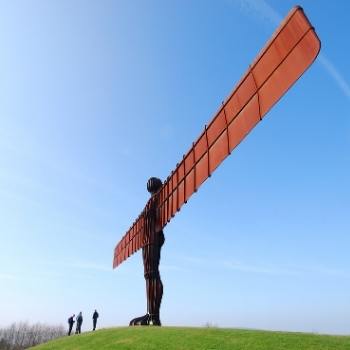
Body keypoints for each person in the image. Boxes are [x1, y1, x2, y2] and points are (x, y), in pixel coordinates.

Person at [129, 177, 164, 326]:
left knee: (153, 274)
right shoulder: (150, 202)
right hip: (146, 242)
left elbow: (158, 219)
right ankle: (149, 313)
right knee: (148, 275)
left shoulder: (159, 199)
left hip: (153, 241)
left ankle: (154, 315)